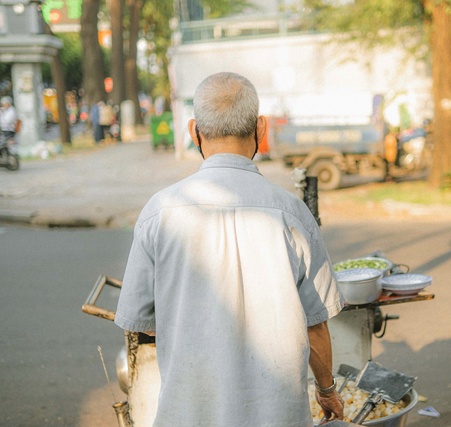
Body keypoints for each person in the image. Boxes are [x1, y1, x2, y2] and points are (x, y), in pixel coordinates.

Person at [114, 72, 345, 426]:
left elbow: (141, 322)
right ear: (261, 129)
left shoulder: (159, 213)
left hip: (188, 415)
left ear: (194, 132)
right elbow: (315, 326)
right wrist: (327, 390)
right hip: (277, 416)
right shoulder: (291, 213)